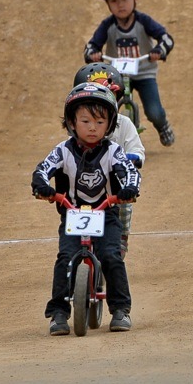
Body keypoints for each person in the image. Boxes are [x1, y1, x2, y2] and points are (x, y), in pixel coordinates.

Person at [31, 82, 140, 336]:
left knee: (112, 256)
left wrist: (128, 190)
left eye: (100, 122)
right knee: (64, 258)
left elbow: (130, 173)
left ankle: (121, 309)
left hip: (106, 213)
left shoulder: (113, 151)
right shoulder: (63, 150)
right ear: (72, 122)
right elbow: (42, 170)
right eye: (86, 121)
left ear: (111, 124)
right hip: (73, 213)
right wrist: (41, 186)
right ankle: (58, 312)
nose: (93, 128)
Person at [84, 0, 177, 148]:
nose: (120, 5)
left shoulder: (144, 21)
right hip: (117, 74)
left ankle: (162, 124)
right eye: (114, 1)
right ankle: (103, 140)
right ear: (107, 4)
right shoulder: (107, 25)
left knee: (154, 111)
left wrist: (159, 50)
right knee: (106, 107)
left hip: (144, 72)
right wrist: (93, 53)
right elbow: (91, 45)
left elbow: (166, 38)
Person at [71, 62, 145, 257]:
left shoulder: (124, 124)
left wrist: (132, 157)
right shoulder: (79, 126)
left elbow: (137, 151)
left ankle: (121, 238)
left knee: (124, 204)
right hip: (84, 186)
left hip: (114, 188)